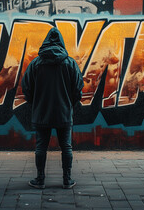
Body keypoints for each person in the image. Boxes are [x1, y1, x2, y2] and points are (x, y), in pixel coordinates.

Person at [22, 27, 84, 189]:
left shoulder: (36, 64)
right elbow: (78, 89)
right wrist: (69, 103)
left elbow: (26, 87)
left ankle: (40, 179)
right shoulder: (70, 63)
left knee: (41, 146)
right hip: (63, 112)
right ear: (61, 43)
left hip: (42, 112)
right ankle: (67, 179)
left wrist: (35, 102)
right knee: (66, 146)